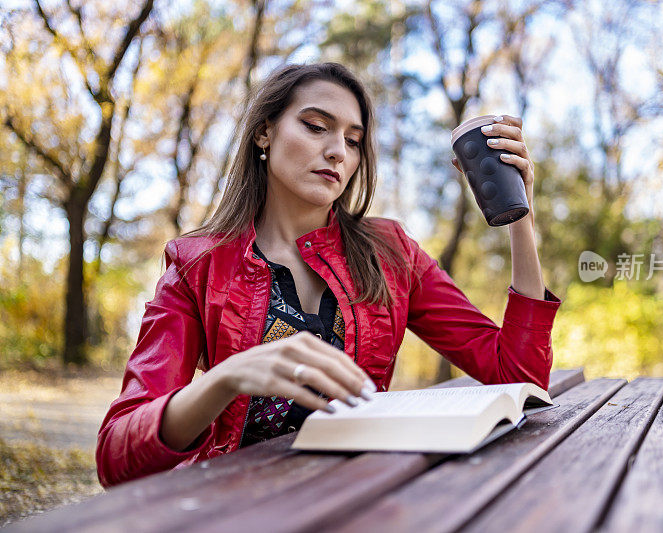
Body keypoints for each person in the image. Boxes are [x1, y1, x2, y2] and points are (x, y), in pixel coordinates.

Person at [96, 62, 561, 488]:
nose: (337, 151)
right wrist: (224, 379)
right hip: (231, 506)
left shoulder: (391, 254)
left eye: (354, 140)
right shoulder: (199, 264)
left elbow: (519, 374)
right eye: (316, 126)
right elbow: (117, 457)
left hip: (360, 498)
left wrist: (520, 219)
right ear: (264, 133)